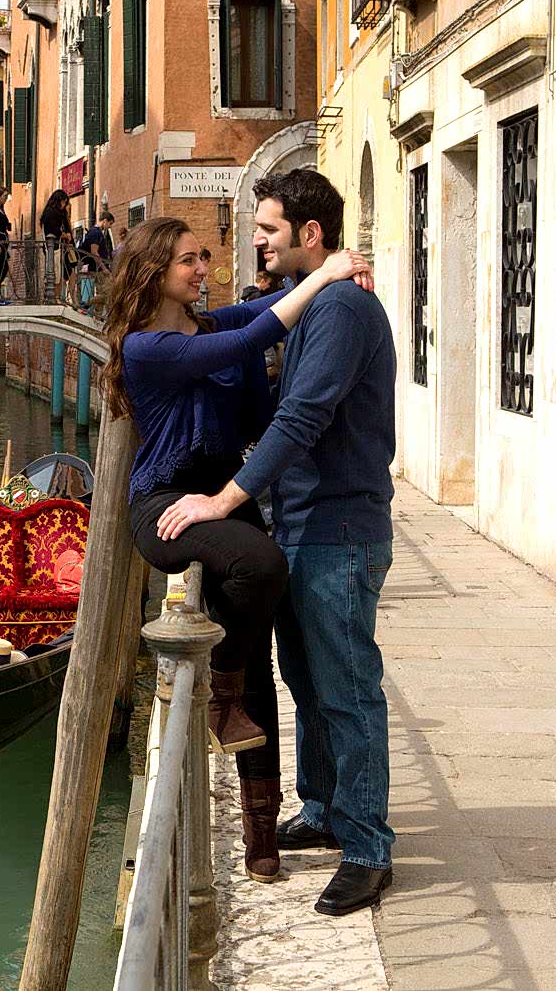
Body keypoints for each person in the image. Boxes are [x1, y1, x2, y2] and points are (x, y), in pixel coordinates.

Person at [102, 215, 370, 886]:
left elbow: (253, 317)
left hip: (220, 499)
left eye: (205, 257)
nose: (203, 268)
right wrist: (328, 275)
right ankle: (222, 680)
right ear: (153, 271)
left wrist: (322, 274)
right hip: (164, 504)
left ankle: (262, 836)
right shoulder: (145, 347)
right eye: (189, 260)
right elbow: (260, 328)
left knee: (259, 673)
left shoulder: (211, 328)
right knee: (262, 566)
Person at [155, 168, 394, 917]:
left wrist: (224, 497)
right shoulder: (314, 300)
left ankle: (367, 848)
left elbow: (302, 420)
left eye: (266, 230)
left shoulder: (345, 310)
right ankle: (323, 807)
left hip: (339, 529)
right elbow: (240, 322)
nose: (255, 241)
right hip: (300, 525)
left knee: (348, 690)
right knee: (306, 680)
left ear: (309, 235)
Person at [79, 210, 115, 277]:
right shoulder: (96, 232)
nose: (110, 227)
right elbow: (94, 252)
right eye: (110, 223)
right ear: (105, 221)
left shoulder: (96, 232)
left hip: (98, 268)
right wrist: (104, 268)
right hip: (98, 270)